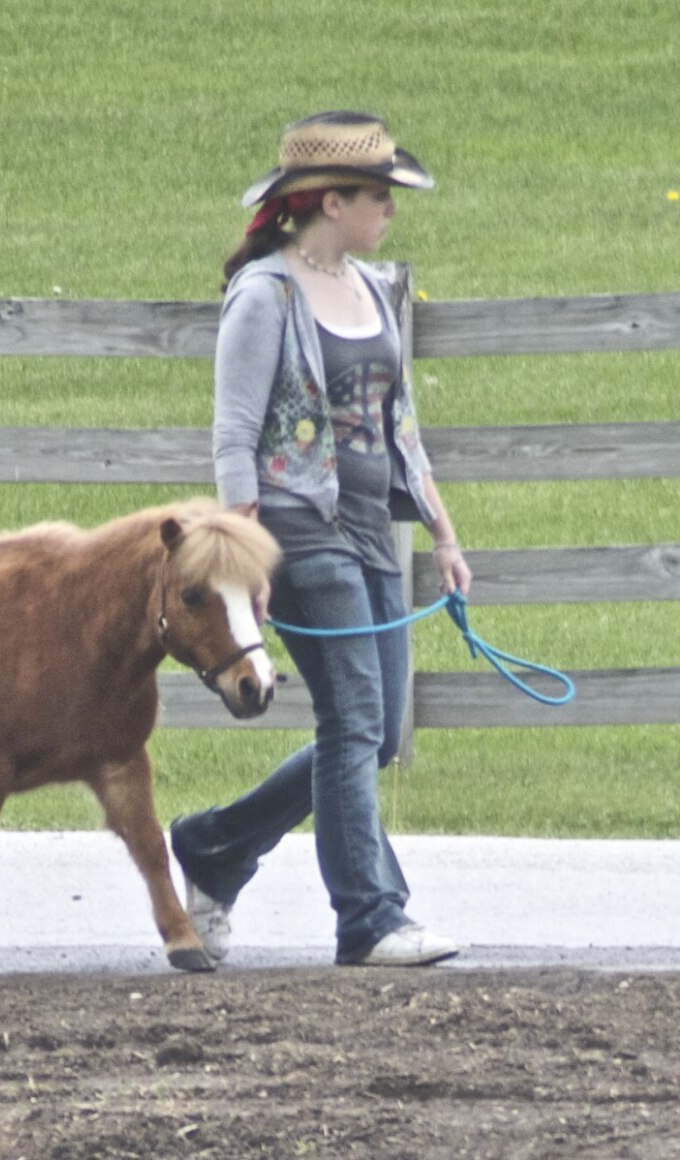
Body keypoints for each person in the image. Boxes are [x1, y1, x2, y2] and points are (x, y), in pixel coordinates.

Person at [170, 111, 472, 968]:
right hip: (300, 532)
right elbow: (234, 436)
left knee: (374, 735)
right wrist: (246, 562)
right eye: (379, 196)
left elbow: (401, 425)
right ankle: (370, 918)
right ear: (330, 201)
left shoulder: (374, 288)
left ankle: (217, 845)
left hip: (374, 531)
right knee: (353, 722)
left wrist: (445, 536)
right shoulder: (264, 294)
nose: (391, 211)